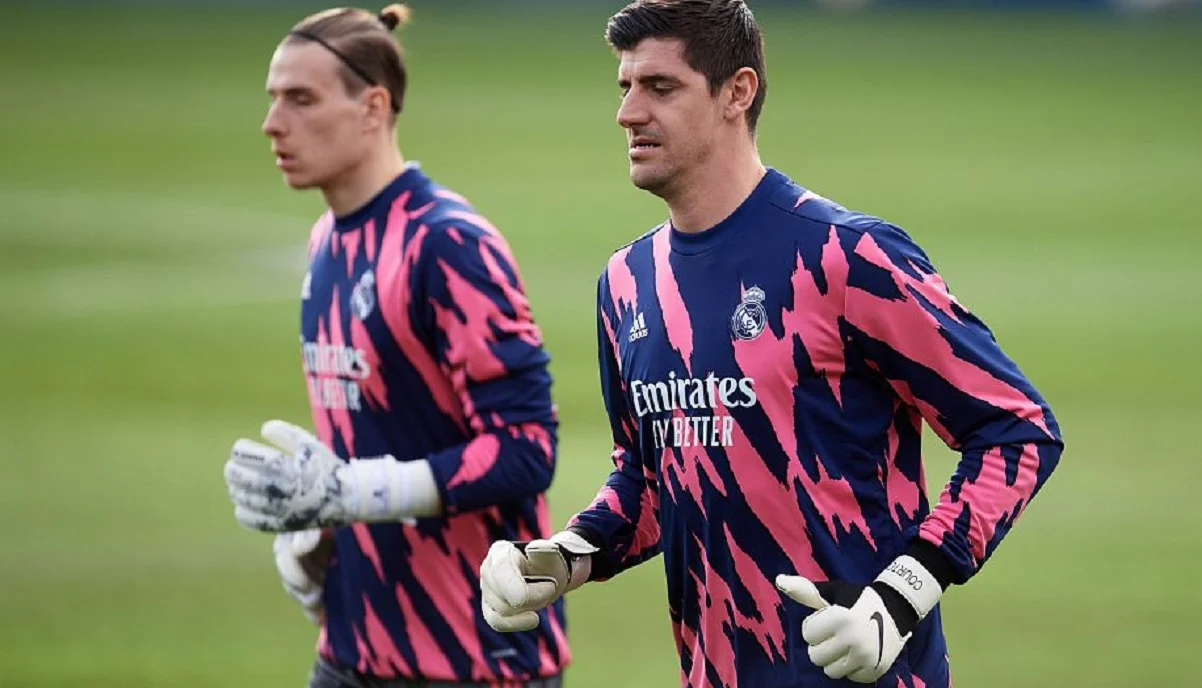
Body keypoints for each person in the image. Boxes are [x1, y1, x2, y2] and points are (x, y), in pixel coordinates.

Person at [478, 1, 1064, 687]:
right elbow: (650, 479)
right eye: (625, 86)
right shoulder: (627, 282)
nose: (628, 113)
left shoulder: (845, 257)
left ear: (737, 92)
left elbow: (1017, 430)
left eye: (660, 87)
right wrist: (562, 556)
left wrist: (902, 595)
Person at [221, 5, 567, 687]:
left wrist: (354, 491)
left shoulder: (449, 244)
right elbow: (373, 444)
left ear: (373, 107)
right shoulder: (327, 241)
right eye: (273, 98)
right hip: (351, 651)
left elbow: (526, 450)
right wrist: (317, 537)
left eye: (301, 99)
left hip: (474, 659)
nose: (272, 122)